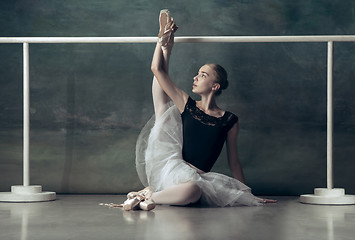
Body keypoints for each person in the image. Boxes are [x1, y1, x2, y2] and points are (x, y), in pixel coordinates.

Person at [123, 9, 276, 210]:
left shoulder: (229, 120)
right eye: (197, 73)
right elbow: (157, 70)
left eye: (203, 75)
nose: (195, 77)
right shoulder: (188, 105)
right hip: (173, 171)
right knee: (163, 110)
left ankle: (149, 197)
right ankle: (148, 196)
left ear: (215, 86)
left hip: (200, 179)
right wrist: (161, 42)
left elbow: (234, 162)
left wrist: (248, 195)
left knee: (193, 190)